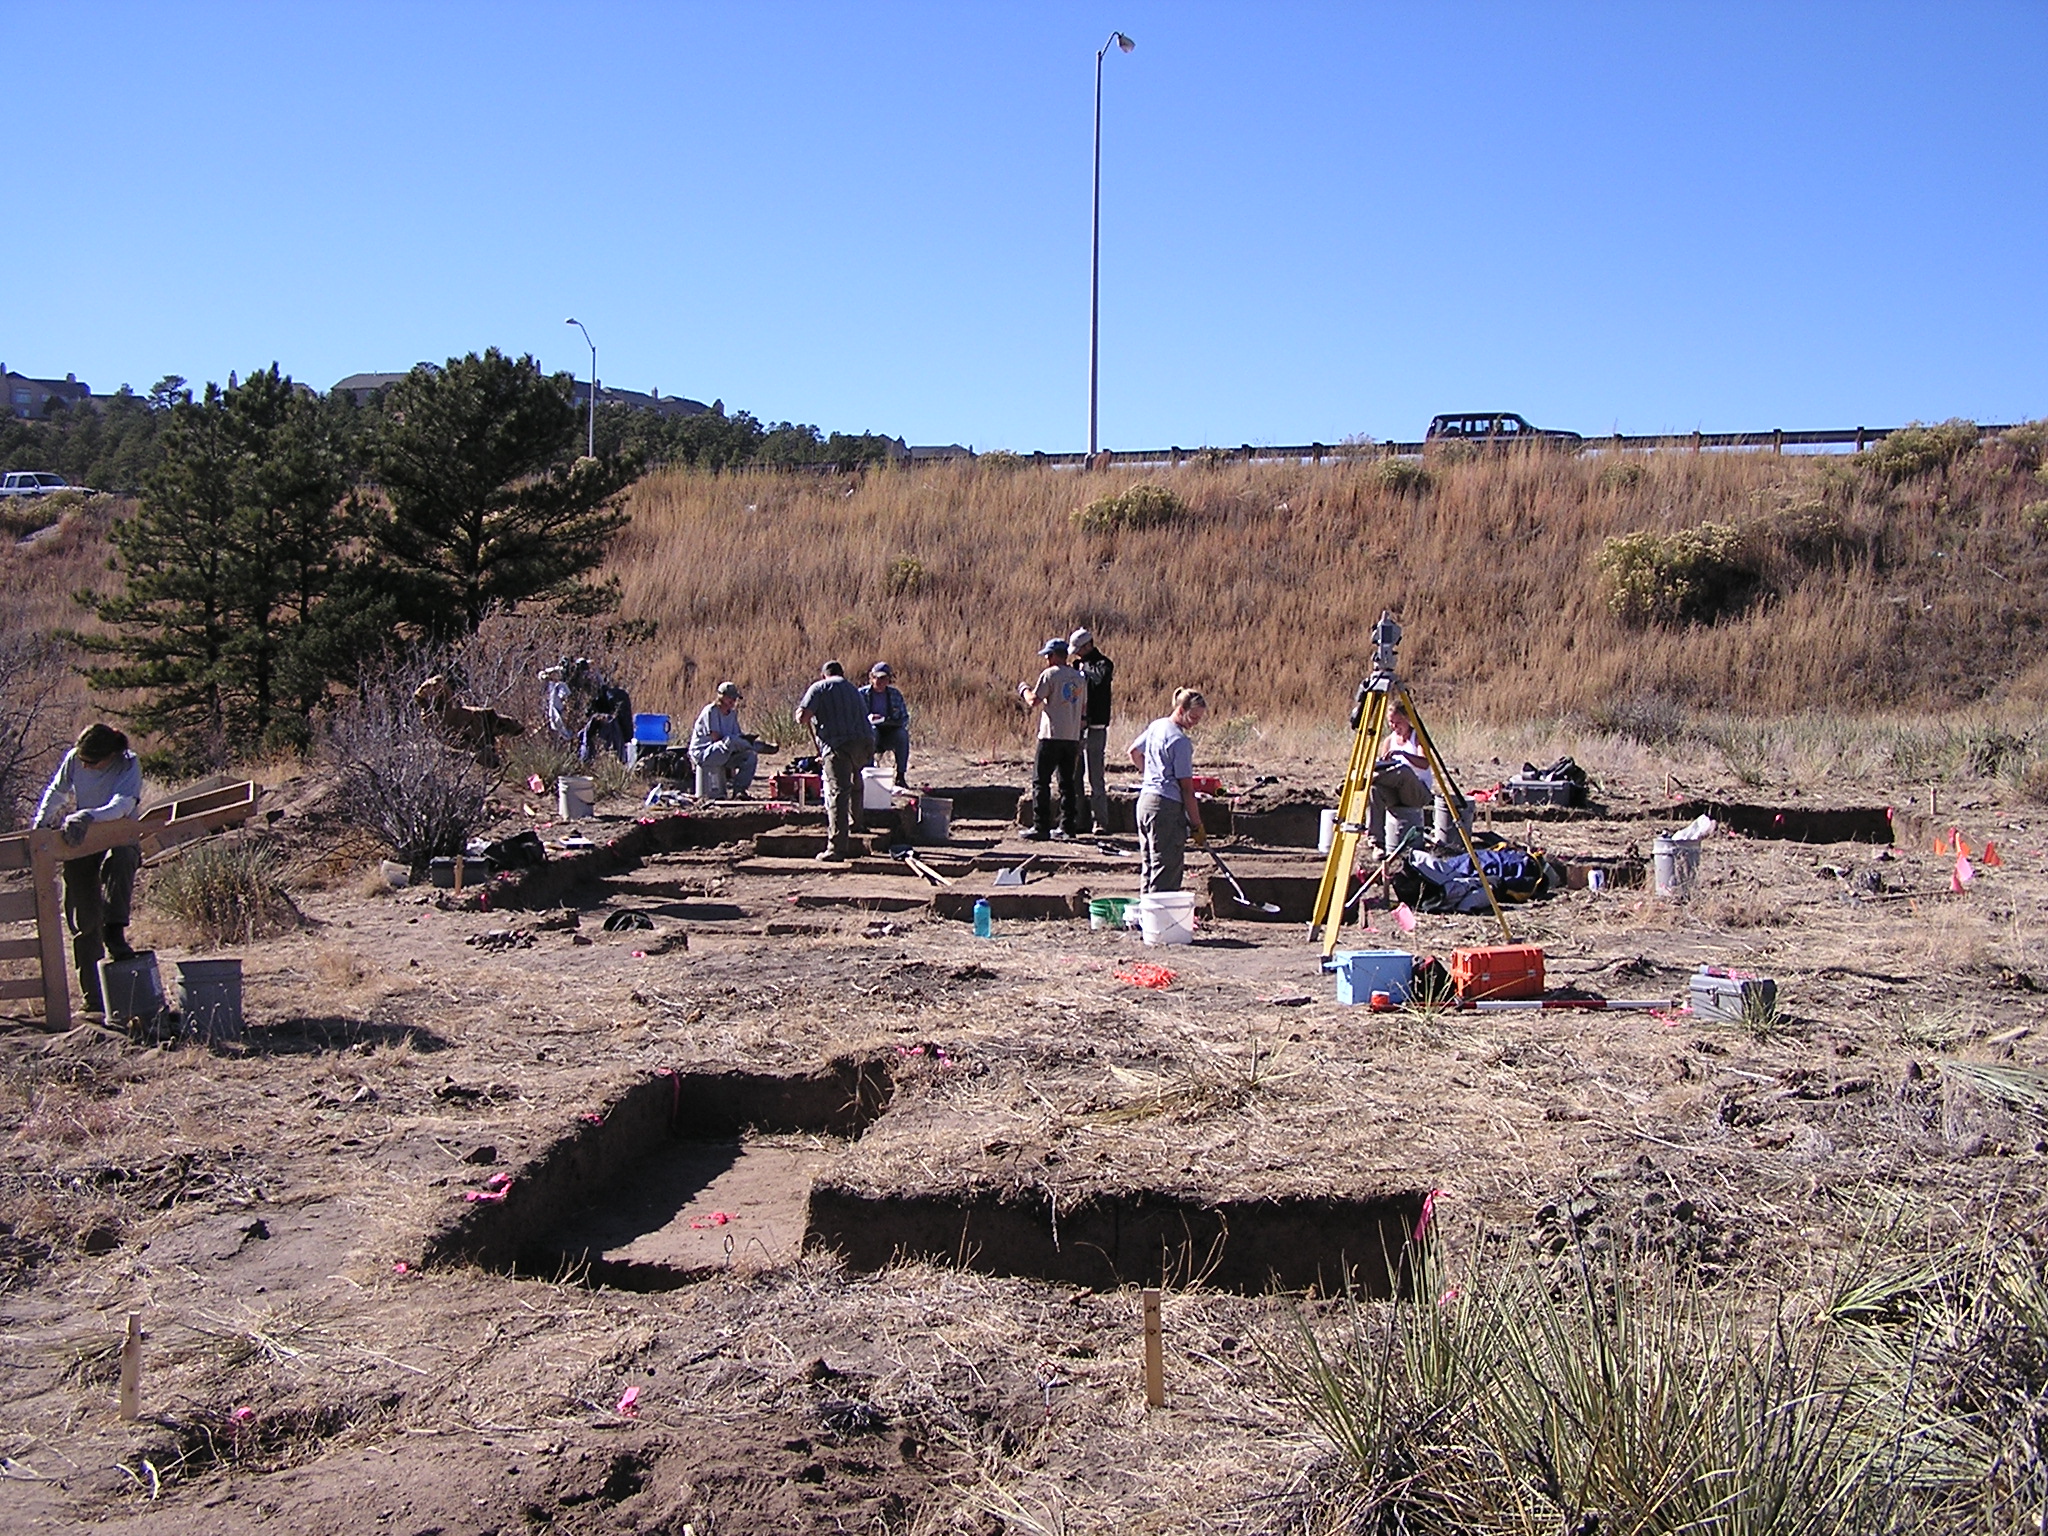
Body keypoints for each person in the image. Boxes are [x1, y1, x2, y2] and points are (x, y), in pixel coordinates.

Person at [32, 723, 145, 1014]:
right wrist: (42, 826)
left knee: (121, 859)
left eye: (91, 762)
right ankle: (94, 1000)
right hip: (81, 835)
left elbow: (122, 805)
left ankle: (115, 928)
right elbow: (58, 791)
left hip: (117, 830)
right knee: (84, 918)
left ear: (109, 756)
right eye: (82, 759)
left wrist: (88, 816)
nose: (85, 764)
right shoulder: (75, 759)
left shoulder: (128, 763)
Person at [1127, 688, 1207, 893]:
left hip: (1145, 803)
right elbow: (1187, 789)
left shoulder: (1157, 726)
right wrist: (1197, 825)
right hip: (1165, 808)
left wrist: (1151, 775)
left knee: (1150, 865)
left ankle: (1147, 917)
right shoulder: (1180, 742)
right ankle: (1161, 921)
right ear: (1181, 709)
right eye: (1194, 717)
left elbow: (1134, 752)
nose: (1196, 722)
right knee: (1166, 868)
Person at [796, 660, 873, 861]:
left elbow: (804, 717)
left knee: (838, 791)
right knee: (855, 782)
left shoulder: (819, 688)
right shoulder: (853, 690)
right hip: (864, 743)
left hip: (838, 745)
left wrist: (799, 715)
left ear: (824, 675)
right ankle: (856, 823)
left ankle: (836, 848)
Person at [1016, 638, 1088, 841]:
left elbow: (1033, 701)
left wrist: (1024, 689)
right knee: (1067, 783)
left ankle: (1041, 826)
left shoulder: (1050, 675)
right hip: (1071, 737)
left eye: (1048, 655)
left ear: (1056, 656)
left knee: (1041, 782)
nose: (1046, 659)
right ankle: (1068, 827)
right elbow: (1083, 708)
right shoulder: (1080, 678)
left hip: (1051, 736)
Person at [1368, 703, 1434, 853]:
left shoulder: (1417, 737)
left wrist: (1403, 755)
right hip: (1396, 793)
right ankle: (1376, 842)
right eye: (1391, 722)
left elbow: (1425, 763)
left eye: (1398, 723)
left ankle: (1369, 778)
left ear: (1407, 719)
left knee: (1404, 771)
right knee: (1374, 790)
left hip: (1417, 793)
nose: (1394, 726)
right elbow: (1384, 766)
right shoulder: (1389, 741)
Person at [1068, 628, 1114, 833]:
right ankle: (1079, 818)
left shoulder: (1104, 664)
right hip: (1077, 726)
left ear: (1088, 646)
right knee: (1075, 775)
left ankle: (1101, 821)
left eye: (1079, 649)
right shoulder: (1078, 665)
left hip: (1096, 726)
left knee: (1096, 775)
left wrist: (1081, 670)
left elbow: (1098, 680)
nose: (1077, 653)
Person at [688, 681, 758, 797]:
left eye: (735, 699)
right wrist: (737, 742)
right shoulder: (711, 711)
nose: (733, 702)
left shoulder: (732, 714)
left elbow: (737, 735)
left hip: (725, 751)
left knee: (750, 756)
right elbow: (716, 738)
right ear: (722, 697)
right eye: (730, 698)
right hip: (704, 753)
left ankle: (739, 791)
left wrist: (744, 741)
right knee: (731, 741)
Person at [860, 663, 911, 787]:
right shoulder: (861, 694)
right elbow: (854, 718)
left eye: (882, 678)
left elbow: (904, 717)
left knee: (902, 735)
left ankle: (900, 775)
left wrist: (892, 722)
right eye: (876, 677)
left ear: (888, 679)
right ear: (871, 678)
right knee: (872, 731)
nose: (879, 681)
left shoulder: (895, 694)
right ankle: (869, 773)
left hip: (889, 732)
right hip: (868, 733)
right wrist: (869, 718)